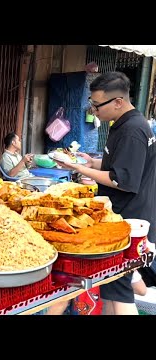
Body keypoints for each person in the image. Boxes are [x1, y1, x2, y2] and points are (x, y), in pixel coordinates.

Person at [54, 71, 156, 315]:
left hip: (129, 220)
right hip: (129, 216)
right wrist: (91, 163)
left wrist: (77, 167)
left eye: (96, 104)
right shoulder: (125, 124)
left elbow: (122, 180)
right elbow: (124, 166)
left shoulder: (132, 130)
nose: (93, 110)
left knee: (120, 290)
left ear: (118, 102)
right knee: (112, 286)